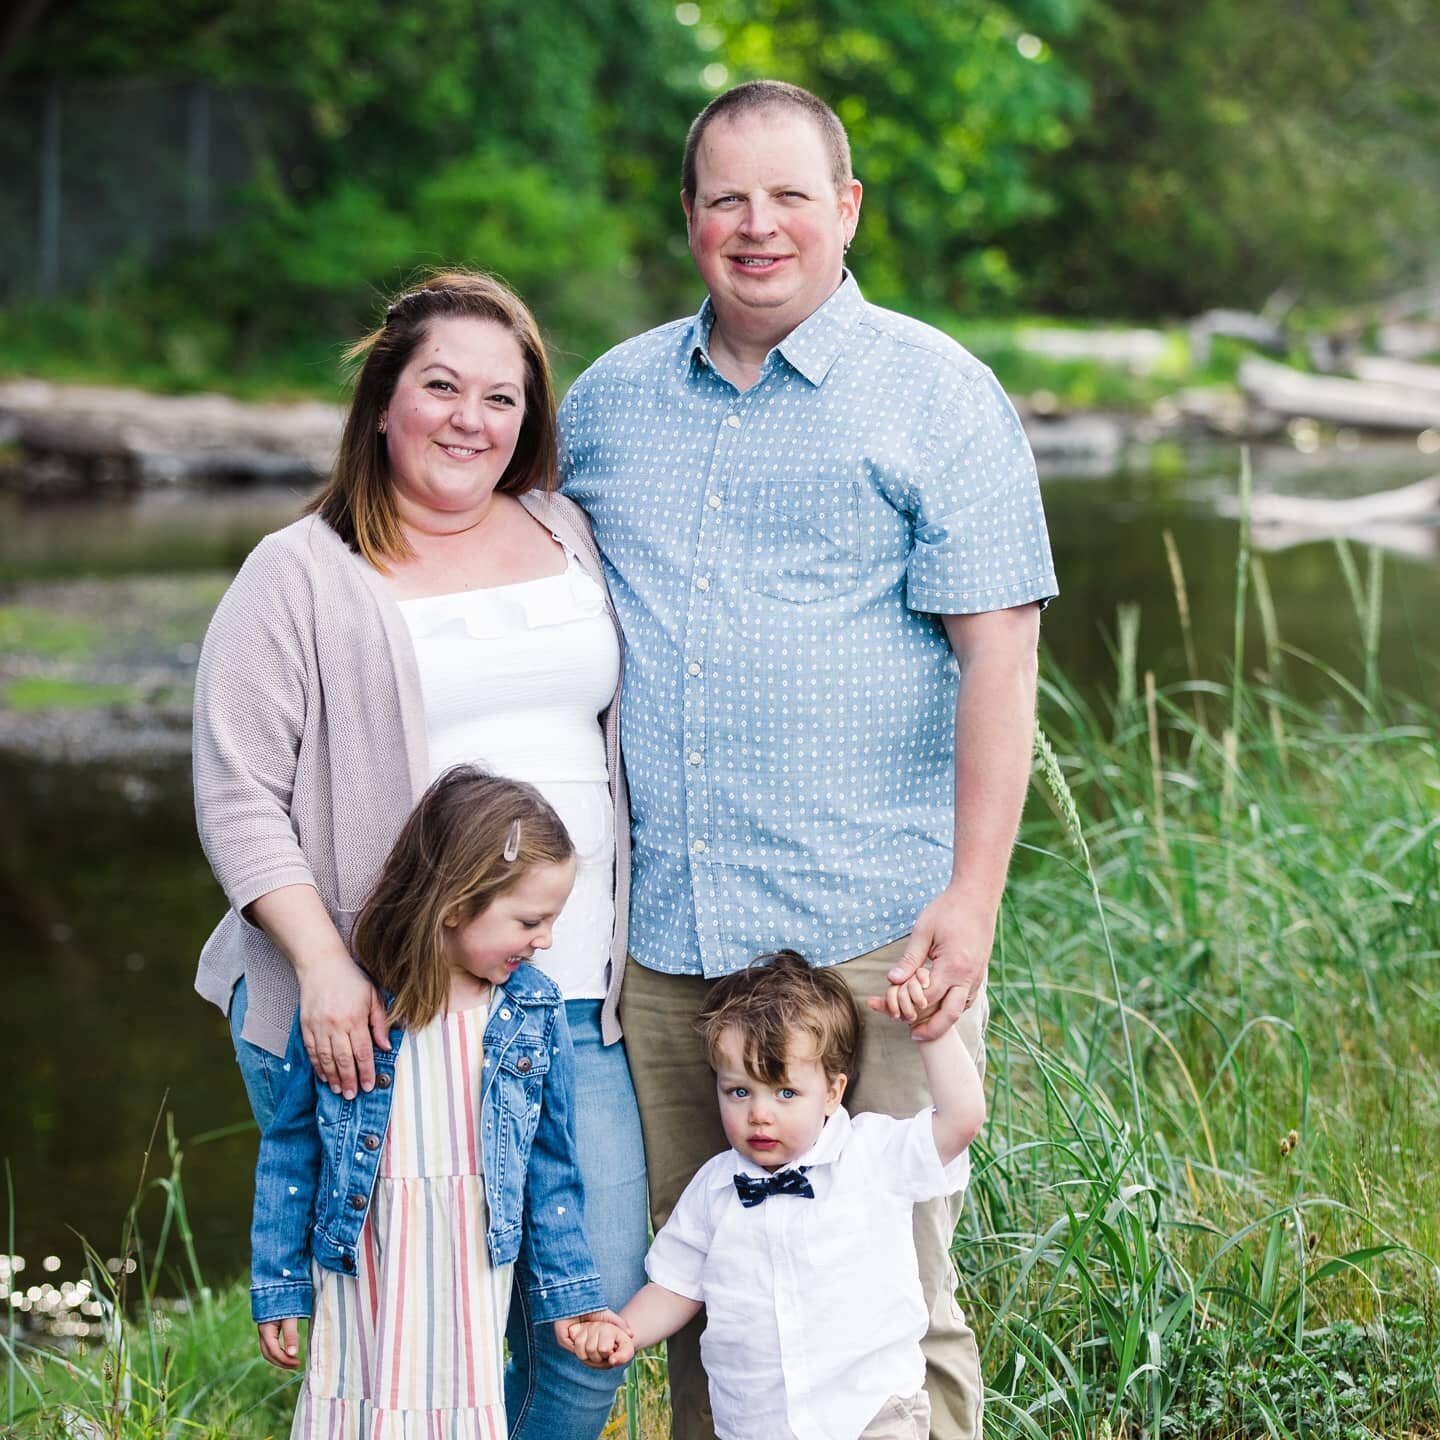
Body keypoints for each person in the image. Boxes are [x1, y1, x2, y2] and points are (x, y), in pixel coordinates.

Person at [560, 80, 1057, 1439]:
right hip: (668, 948)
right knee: (709, 1282)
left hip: (864, 944)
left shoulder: (937, 396)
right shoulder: (608, 405)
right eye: (728, 197)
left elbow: (999, 661)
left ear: (845, 209)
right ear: (690, 220)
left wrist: (970, 901)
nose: (758, 226)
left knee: (892, 1298)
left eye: (790, 195)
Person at [193, 270, 646, 1439]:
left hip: (577, 995)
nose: (469, 418)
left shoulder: (566, 532)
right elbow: (238, 797)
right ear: (384, 399)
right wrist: (329, 967)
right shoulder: (299, 573)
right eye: (440, 385)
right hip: (387, 1012)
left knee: (588, 1328)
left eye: (502, 398)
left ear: (528, 421)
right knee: (418, 1352)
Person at [252, 765, 632, 1437]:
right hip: (367, 1267)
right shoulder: (354, 1010)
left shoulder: (529, 1013)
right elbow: (293, 1146)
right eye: (530, 920)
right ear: (455, 903)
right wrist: (278, 1286)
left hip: (466, 1278)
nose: (545, 940)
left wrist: (570, 1296)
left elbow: (551, 1173)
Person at [559, 951, 985, 1440]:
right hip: (754, 1423)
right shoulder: (714, 1188)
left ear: (831, 1092)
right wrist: (625, 1331)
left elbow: (961, 1120)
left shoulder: (873, 1155)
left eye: (785, 1093)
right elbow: (675, 1286)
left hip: (868, 1414)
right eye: (739, 1092)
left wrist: (934, 1030)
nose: (760, 1114)